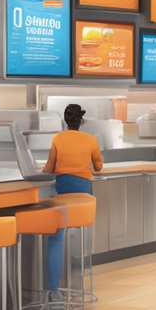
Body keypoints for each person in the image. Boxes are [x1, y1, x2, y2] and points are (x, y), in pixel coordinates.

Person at [42, 104, 102, 299]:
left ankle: (54, 290)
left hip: (63, 192)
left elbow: (49, 168)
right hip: (84, 197)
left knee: (56, 236)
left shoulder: (58, 138)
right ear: (81, 121)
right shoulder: (90, 140)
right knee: (80, 233)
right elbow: (99, 166)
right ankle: (83, 281)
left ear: (66, 122)